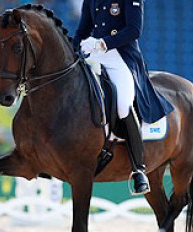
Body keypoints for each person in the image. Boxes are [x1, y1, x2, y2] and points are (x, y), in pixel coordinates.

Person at [73, 0, 173, 194]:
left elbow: (134, 30)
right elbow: (82, 30)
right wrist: (74, 47)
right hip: (94, 54)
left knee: (123, 105)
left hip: (121, 57)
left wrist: (103, 43)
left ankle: (139, 169)